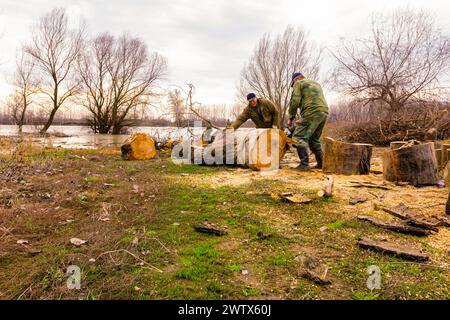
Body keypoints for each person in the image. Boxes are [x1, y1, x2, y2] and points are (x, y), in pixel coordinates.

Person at [287, 72, 329, 170]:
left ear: (295, 79)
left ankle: (304, 164)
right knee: (314, 139)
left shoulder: (298, 83)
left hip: (311, 111)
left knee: (298, 137)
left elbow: (295, 100)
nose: (293, 87)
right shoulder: (316, 83)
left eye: (292, 85)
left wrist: (291, 116)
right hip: (323, 112)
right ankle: (321, 164)